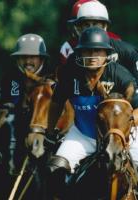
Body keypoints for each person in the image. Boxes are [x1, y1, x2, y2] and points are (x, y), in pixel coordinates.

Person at [46, 27, 138, 198]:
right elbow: (56, 103)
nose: (93, 55)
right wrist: (49, 132)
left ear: (106, 53)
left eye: (98, 50)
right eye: (87, 50)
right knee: (55, 168)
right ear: (79, 53)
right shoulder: (70, 73)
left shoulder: (120, 75)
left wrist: (127, 127)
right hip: (83, 134)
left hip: (120, 136)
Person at [0, 33, 51, 200]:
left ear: (42, 59)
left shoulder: (52, 77)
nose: (28, 61)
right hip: (17, 129)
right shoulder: (11, 78)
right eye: (23, 57)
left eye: (33, 57)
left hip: (45, 130)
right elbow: (8, 105)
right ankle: (9, 169)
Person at [59, 0, 138, 85]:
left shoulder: (127, 51)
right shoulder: (72, 57)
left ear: (105, 26)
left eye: (96, 24)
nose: (91, 29)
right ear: (79, 28)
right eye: (86, 25)